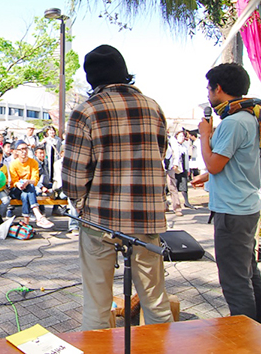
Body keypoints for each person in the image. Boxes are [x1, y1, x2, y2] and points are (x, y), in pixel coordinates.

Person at [62, 44, 173, 330]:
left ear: (91, 79)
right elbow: (160, 155)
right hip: (147, 219)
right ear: (125, 74)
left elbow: (73, 178)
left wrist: (81, 203)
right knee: (156, 303)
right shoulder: (153, 107)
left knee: (97, 305)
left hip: (101, 220)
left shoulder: (85, 111)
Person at [190, 63, 261, 327]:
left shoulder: (234, 121)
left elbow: (214, 164)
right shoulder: (250, 116)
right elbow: (237, 162)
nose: (208, 93)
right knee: (248, 271)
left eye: (209, 87)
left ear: (219, 88)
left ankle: (245, 335)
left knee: (234, 279)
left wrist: (204, 136)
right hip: (246, 207)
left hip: (232, 212)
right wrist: (208, 177)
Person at [9, 140, 54, 228]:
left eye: (25, 148)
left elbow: (35, 180)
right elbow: (14, 181)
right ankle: (38, 215)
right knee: (28, 189)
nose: (24, 151)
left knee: (26, 194)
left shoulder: (33, 162)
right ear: (16, 151)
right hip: (16, 190)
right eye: (21, 149)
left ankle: (27, 223)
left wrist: (27, 182)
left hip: (28, 189)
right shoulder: (13, 164)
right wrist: (20, 184)